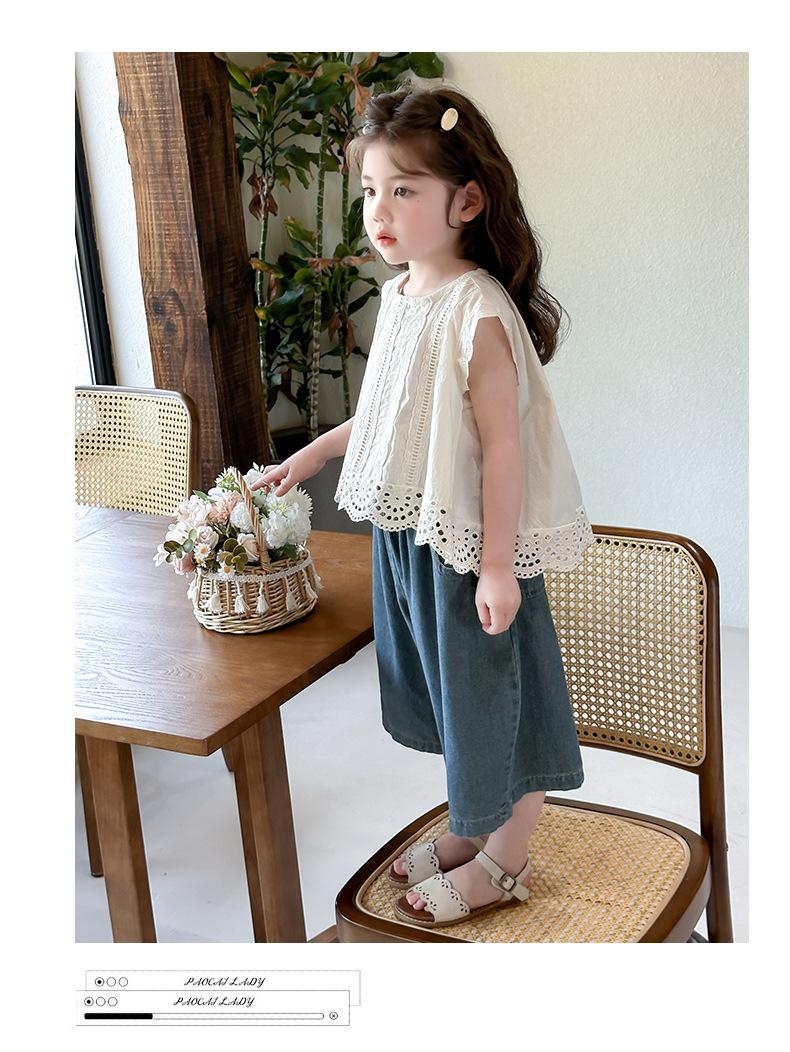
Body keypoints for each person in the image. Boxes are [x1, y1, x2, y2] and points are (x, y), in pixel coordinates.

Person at [251, 83, 595, 930]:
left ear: (467, 202)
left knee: (502, 709)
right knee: (456, 706)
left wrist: (499, 567)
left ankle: (505, 862)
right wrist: (311, 454)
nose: (379, 211)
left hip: (467, 551)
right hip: (410, 544)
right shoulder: (406, 294)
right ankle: (472, 829)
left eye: (404, 189)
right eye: (372, 189)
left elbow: (503, 448)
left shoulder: (477, 313)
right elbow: (393, 412)